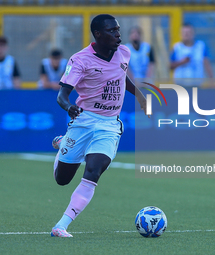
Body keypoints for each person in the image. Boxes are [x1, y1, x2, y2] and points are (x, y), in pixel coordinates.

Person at [50, 14, 147, 238]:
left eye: (118, 29)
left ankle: (61, 225)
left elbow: (122, 76)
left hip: (109, 124)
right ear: (98, 34)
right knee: (62, 180)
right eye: (112, 30)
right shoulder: (80, 59)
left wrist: (140, 96)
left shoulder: (124, 52)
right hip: (83, 121)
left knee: (94, 169)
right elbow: (62, 95)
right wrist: (68, 107)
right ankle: (64, 141)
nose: (118, 34)